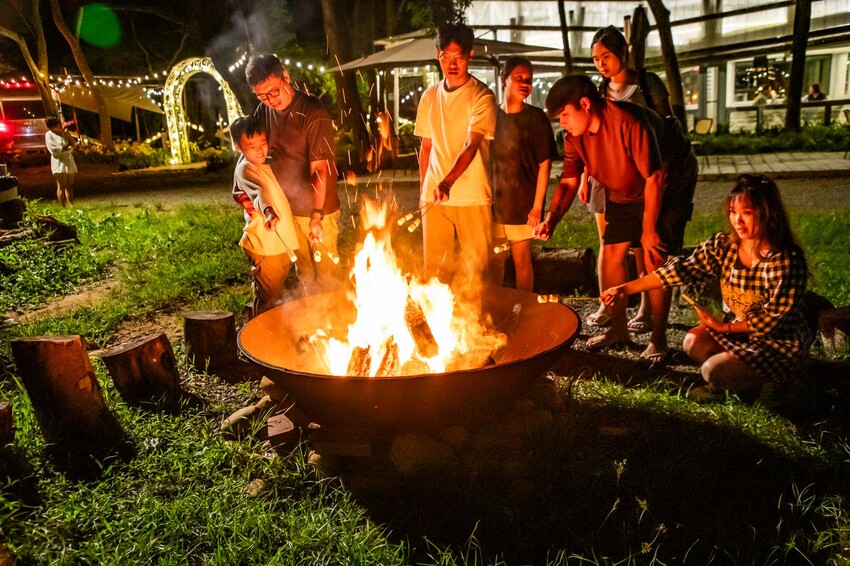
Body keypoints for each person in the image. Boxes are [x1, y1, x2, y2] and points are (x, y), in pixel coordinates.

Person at [600, 175, 811, 401]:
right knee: (692, 342)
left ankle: (775, 380)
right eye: (733, 211)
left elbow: (773, 321)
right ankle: (744, 378)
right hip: (739, 334)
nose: (737, 220)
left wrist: (722, 327)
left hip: (777, 342)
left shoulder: (785, 260)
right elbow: (677, 271)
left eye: (747, 213)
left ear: (768, 213)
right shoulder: (724, 246)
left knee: (711, 371)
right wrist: (624, 289)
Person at [584, 25, 698, 363]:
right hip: (625, 182)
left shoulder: (648, 85)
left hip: (662, 175)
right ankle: (622, 319)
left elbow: (666, 128)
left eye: (606, 56)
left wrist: (657, 180)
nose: (601, 64)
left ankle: (656, 330)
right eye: (595, 59)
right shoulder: (601, 91)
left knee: (655, 249)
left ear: (623, 53)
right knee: (619, 246)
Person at [534, 75, 664, 358]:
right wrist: (552, 219)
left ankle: (659, 338)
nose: (563, 123)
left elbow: (654, 176)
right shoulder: (574, 137)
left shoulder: (628, 122)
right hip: (622, 191)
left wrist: (650, 228)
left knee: (654, 257)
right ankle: (619, 329)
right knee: (614, 253)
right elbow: (568, 181)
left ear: (584, 104)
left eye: (565, 115)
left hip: (662, 185)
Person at [240, 53, 340, 295]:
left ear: (286, 76)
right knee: (305, 273)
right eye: (261, 95)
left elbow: (320, 169)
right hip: (286, 208)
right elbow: (251, 154)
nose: (269, 100)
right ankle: (315, 327)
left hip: (318, 210)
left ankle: (338, 321)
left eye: (273, 91)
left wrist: (316, 214)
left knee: (327, 273)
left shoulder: (313, 112)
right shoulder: (262, 112)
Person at [414, 21, 497, 299]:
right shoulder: (429, 96)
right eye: (445, 58)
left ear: (470, 56)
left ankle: (481, 329)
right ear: (438, 55)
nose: (451, 64)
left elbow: (471, 145)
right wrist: (424, 190)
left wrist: (447, 181)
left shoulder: (482, 96)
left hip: (471, 195)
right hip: (434, 198)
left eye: (458, 58)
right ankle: (440, 333)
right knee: (436, 273)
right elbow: (426, 147)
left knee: (476, 270)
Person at [490, 56, 558, 292]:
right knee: (495, 260)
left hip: (523, 205)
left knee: (521, 261)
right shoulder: (491, 116)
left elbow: (545, 164)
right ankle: (494, 308)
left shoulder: (536, 118)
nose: (525, 83)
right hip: (495, 204)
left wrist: (538, 206)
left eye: (528, 79)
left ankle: (524, 309)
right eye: (518, 77)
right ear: (504, 80)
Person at [230, 115, 300, 316]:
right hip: (266, 245)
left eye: (263, 143)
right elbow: (259, 192)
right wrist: (269, 211)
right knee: (268, 296)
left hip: (277, 243)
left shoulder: (261, 164)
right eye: (252, 146)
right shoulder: (245, 169)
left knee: (274, 290)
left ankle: (269, 325)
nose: (260, 150)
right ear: (237, 146)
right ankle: (260, 334)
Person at [44, 116, 77, 207]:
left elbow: (73, 144)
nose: (62, 124)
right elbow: (54, 150)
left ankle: (71, 205)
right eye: (60, 123)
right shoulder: (49, 135)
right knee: (61, 185)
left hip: (68, 160)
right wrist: (66, 148)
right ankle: (63, 206)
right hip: (59, 162)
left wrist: (68, 137)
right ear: (54, 125)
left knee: (69, 185)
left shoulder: (64, 133)